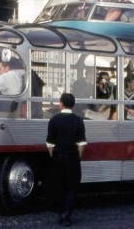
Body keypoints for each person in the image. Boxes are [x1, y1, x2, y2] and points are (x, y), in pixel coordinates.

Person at [46, 93, 87, 227]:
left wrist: (54, 155)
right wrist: (77, 157)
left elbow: (50, 144)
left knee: (59, 185)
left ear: (61, 103)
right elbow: (82, 144)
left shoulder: (54, 120)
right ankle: (67, 214)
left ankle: (61, 212)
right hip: (73, 156)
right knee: (72, 187)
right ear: (73, 105)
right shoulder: (78, 120)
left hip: (58, 157)